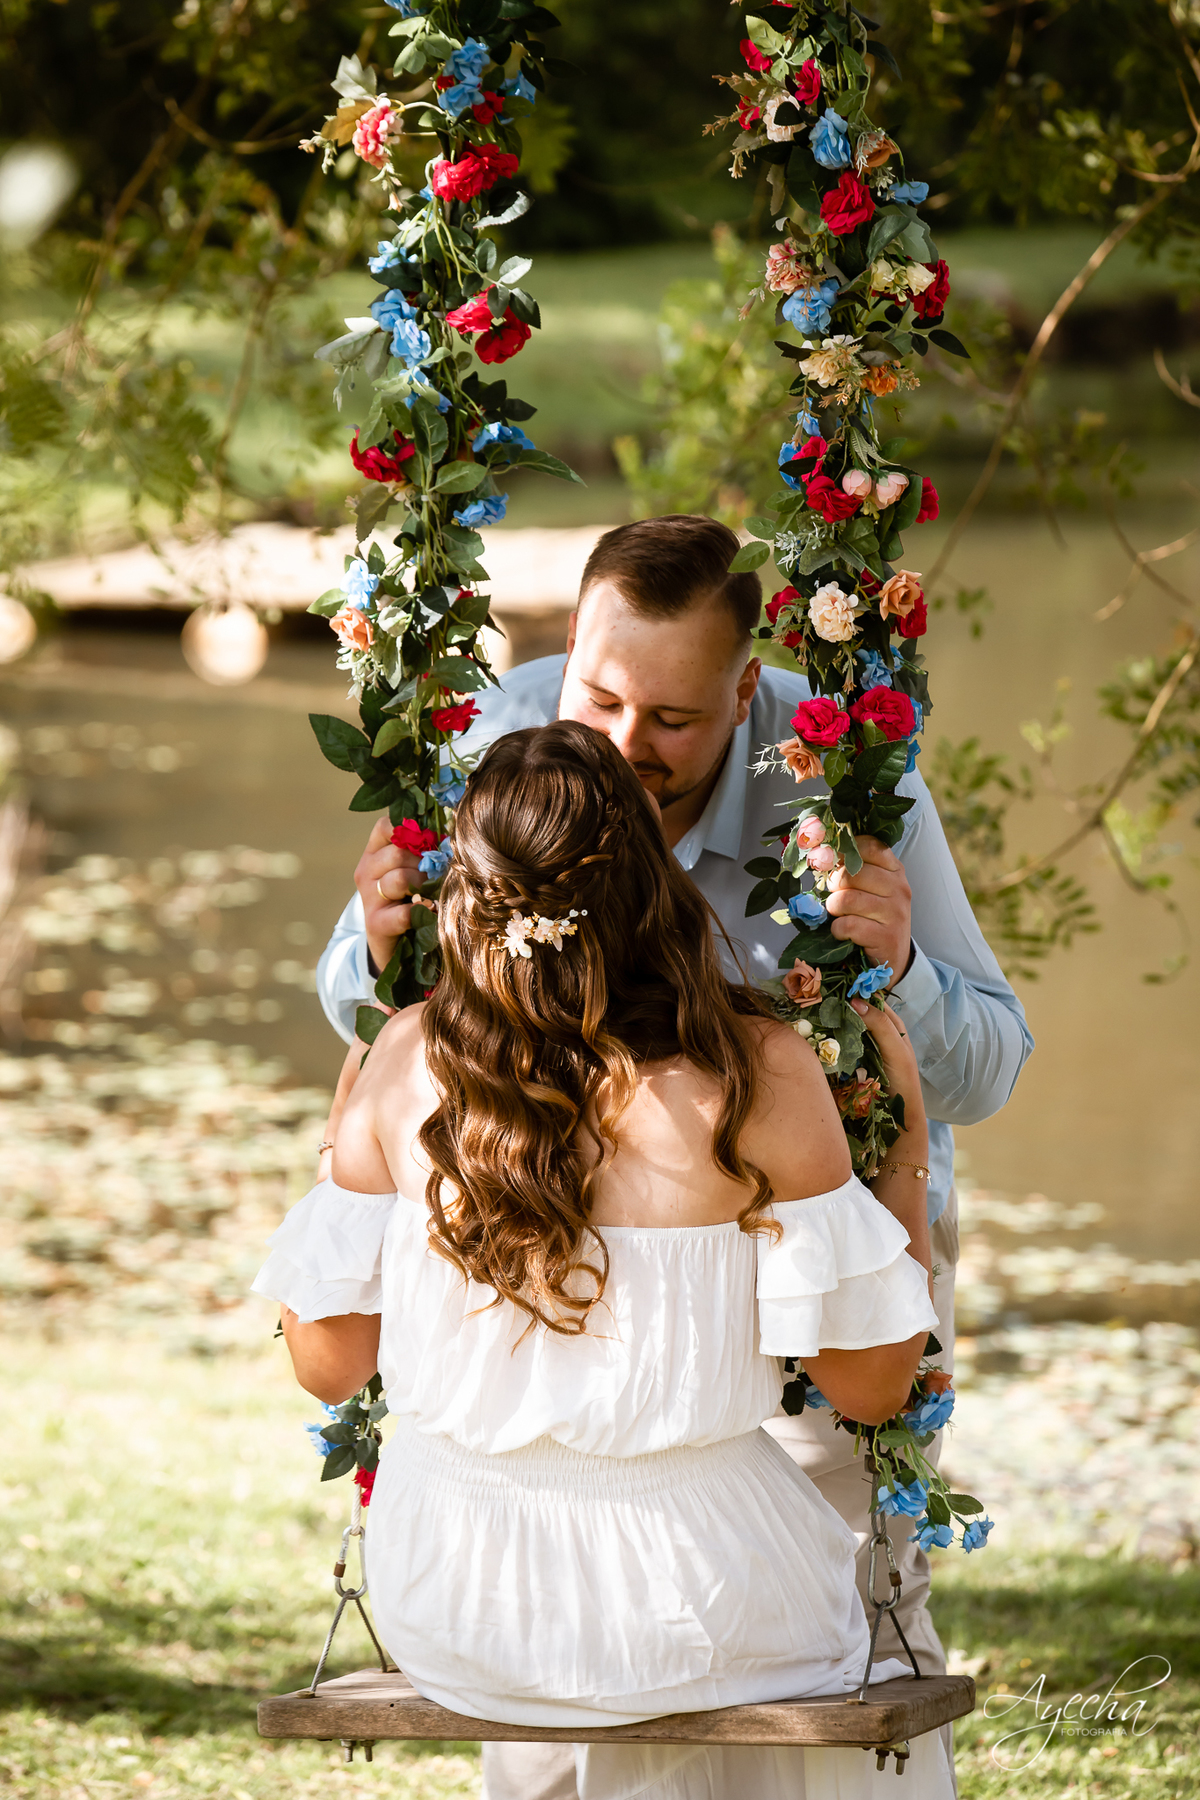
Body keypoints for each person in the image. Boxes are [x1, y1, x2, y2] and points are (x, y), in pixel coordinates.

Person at [314, 514, 1032, 1798]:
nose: (622, 744)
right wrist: (371, 958)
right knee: (572, 1653)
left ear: (750, 689)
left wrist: (902, 976)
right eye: (599, 695)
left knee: (834, 1607)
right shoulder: (511, 745)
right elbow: (375, 1007)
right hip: (529, 1274)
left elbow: (990, 1064)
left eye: (674, 721)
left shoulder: (846, 776)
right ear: (570, 645)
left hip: (803, 1275)